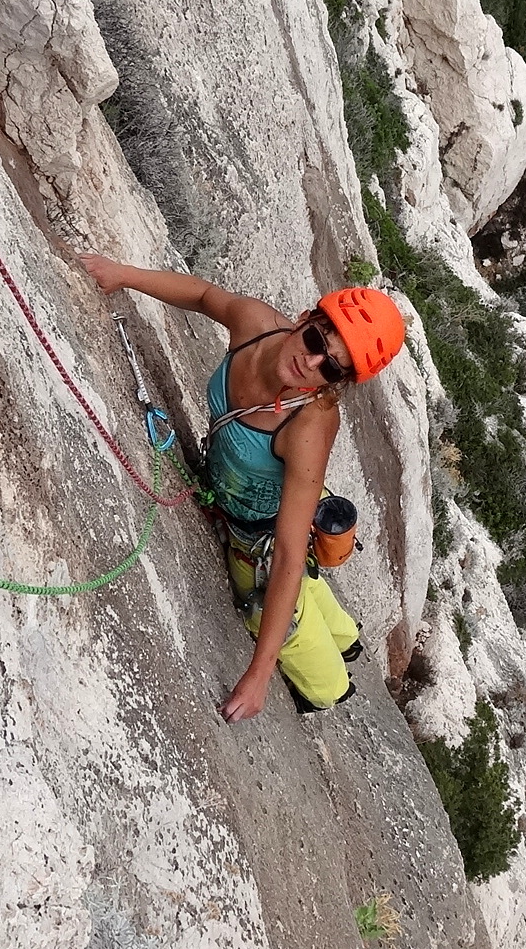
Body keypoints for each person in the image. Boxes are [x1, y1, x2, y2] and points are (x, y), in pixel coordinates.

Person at [79, 255, 406, 722]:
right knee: (293, 583)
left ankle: (329, 685)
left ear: (340, 382)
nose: (310, 362)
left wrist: (258, 673)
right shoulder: (255, 324)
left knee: (263, 607)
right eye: (316, 339)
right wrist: (124, 275)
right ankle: (344, 635)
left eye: (331, 368)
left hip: (261, 533)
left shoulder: (309, 426)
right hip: (249, 492)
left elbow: (290, 551)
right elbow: (205, 295)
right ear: (304, 319)